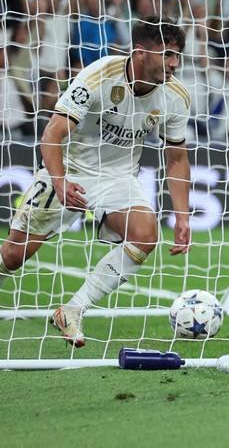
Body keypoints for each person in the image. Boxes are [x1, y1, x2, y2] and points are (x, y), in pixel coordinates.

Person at [0, 17, 192, 347]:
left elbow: (176, 157)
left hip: (118, 177)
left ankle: (72, 310)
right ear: (141, 52)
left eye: (178, 56)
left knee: (146, 235)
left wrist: (183, 214)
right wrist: (60, 183)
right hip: (69, 169)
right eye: (168, 54)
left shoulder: (176, 97)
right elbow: (52, 134)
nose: (174, 63)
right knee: (13, 258)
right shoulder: (99, 74)